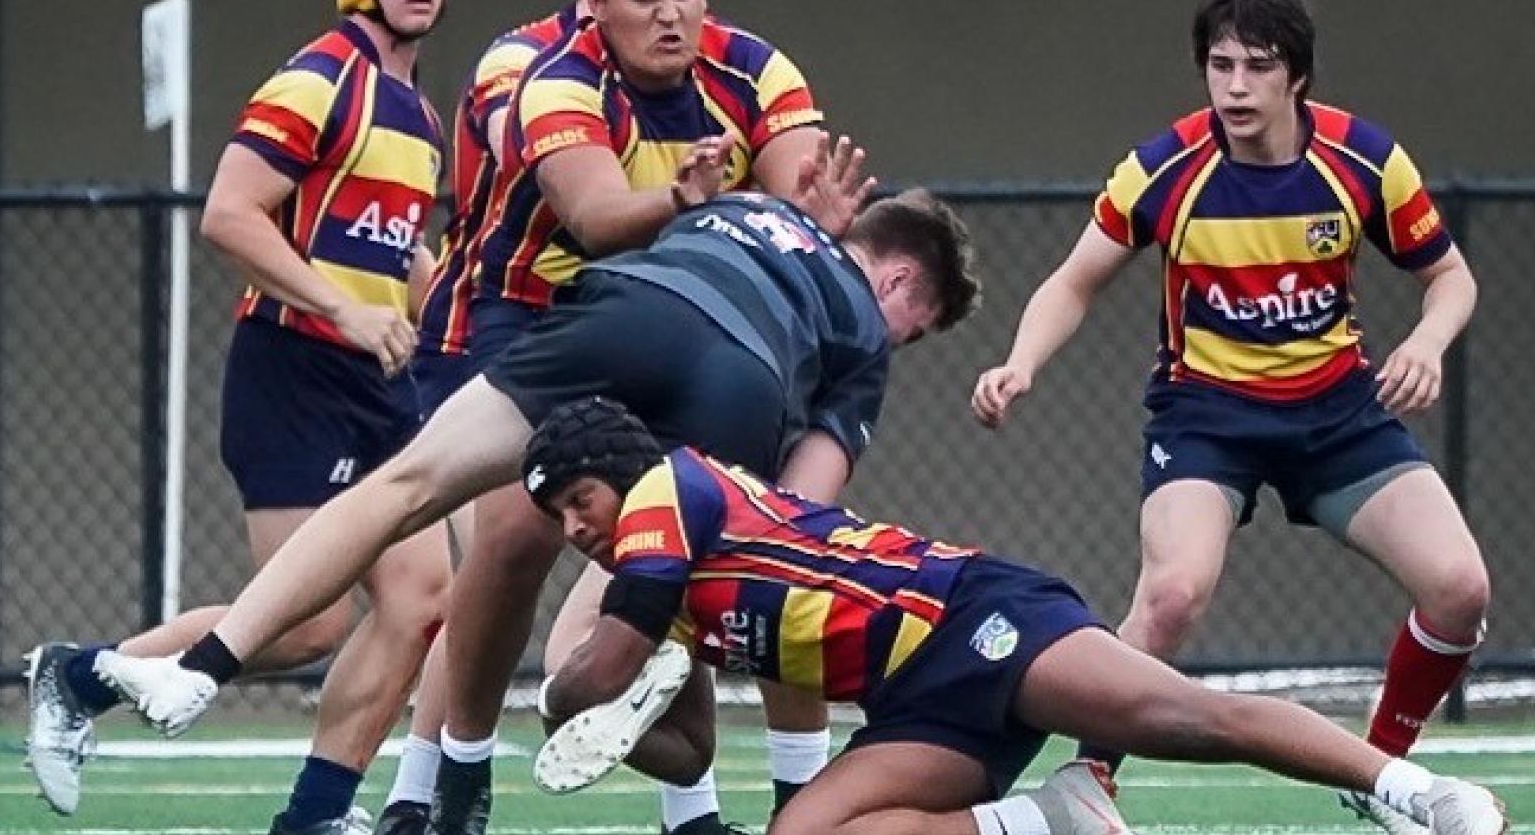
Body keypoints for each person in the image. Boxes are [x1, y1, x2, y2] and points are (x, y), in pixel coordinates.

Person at [91, 186, 980, 822]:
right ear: (901, 285)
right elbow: (796, 508)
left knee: (403, 485)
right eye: (918, 325)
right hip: (741, 376)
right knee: (630, 639)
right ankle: (597, 684)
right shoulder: (862, 333)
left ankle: (205, 661)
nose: (904, 338)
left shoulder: (745, 205)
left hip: (627, 308)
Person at [971, 0, 1488, 835]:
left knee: (1461, 589)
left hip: (1339, 418)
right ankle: (1087, 775)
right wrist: (1020, 362)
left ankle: (1380, 768)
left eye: (1259, 66)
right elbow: (1074, 280)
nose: (1236, 86)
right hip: (1206, 422)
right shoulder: (1164, 169)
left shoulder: (1364, 161)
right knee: (1172, 593)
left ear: (1299, 79)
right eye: (1220, 65)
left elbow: (1451, 277)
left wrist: (1426, 344)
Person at [524, 397, 1508, 835]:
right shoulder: (667, 591)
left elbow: (594, 674)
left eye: (578, 502)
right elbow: (685, 751)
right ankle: (1046, 820)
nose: (575, 529)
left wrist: (564, 698)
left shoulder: (661, 492)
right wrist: (631, 716)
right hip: (915, 703)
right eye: (556, 519)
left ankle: (1423, 795)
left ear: (621, 474)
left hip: (967, 618)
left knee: (1183, 719)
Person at [25, 0, 454, 832]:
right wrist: (344, 311)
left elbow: (392, 243)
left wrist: (450, 300)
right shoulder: (318, 79)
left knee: (420, 602)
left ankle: (315, 815)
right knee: (306, 626)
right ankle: (77, 675)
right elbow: (229, 214)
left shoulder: (417, 112)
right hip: (294, 369)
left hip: (377, 382)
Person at [433, 0, 853, 830]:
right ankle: (447, 779)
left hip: (687, 323)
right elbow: (591, 216)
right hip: (540, 308)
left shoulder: (756, 71)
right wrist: (682, 201)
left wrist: (789, 223)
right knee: (508, 534)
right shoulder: (535, 68)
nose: (668, 13)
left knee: (764, 533)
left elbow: (789, 215)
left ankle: (772, 804)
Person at [376, 0, 588, 835]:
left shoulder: (710, 82)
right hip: (486, 338)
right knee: (493, 559)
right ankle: (421, 791)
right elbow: (547, 160)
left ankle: (689, 811)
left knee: (673, 537)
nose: (662, 10)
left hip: (607, 345)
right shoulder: (526, 67)